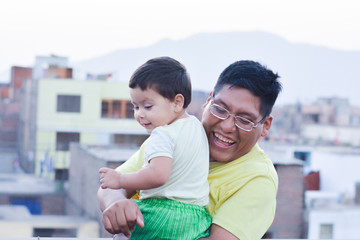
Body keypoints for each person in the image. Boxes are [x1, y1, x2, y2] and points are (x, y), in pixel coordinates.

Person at [98, 59, 282, 240]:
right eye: (220, 109)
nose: (227, 126)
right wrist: (117, 204)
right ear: (208, 100)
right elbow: (110, 187)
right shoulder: (174, 134)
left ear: (265, 125)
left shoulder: (258, 179)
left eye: (244, 120)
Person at [98, 56, 211, 239]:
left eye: (148, 106)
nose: (139, 115)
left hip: (161, 214)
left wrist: (120, 180)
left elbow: (158, 175)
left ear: (177, 102)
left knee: (122, 232)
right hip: (197, 218)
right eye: (135, 107)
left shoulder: (163, 134)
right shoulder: (197, 127)